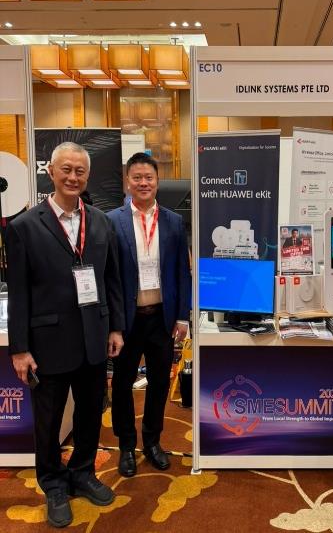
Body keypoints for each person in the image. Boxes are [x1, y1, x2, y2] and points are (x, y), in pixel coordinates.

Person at [7, 142, 125, 528]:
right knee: (49, 422)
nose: (73, 177)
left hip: (94, 338)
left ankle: (83, 472)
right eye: (66, 170)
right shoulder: (24, 226)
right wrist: (19, 348)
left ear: (88, 176)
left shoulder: (102, 222)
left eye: (80, 171)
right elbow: (19, 293)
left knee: (90, 414)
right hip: (47, 344)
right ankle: (54, 484)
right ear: (51, 172)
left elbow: (111, 280)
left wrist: (116, 327)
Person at [108, 152, 191, 478]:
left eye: (149, 178)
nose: (143, 183)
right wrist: (112, 325)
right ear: (127, 182)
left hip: (161, 318)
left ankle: (153, 442)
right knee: (122, 385)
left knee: (158, 382)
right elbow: (108, 277)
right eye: (137, 177)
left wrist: (182, 317)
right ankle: (127, 446)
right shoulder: (111, 221)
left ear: (157, 182)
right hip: (127, 320)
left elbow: (182, 272)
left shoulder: (173, 221)